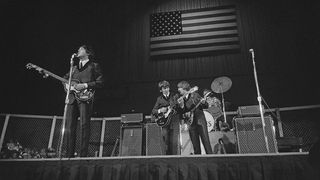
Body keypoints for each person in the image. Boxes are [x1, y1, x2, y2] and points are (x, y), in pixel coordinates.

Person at [63, 45, 104, 158]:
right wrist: (68, 86)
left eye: (80, 49)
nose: (78, 50)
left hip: (85, 98)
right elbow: (65, 79)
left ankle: (82, 155)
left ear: (88, 53)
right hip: (72, 99)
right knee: (70, 126)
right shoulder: (74, 68)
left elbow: (100, 82)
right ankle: (68, 154)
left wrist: (85, 85)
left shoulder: (93, 66)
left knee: (84, 125)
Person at [176, 81, 213, 154]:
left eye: (179, 88)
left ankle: (212, 160)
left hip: (200, 121)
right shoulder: (181, 99)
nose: (178, 90)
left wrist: (203, 102)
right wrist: (182, 106)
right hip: (191, 123)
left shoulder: (195, 95)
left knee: (206, 142)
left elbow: (206, 106)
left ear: (184, 88)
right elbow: (181, 113)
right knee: (195, 146)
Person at [151, 80, 181, 155]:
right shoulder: (159, 99)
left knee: (174, 143)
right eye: (164, 88)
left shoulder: (175, 96)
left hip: (174, 122)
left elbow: (179, 108)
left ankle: (175, 161)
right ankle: (166, 161)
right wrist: (160, 110)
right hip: (165, 124)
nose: (166, 89)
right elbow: (153, 111)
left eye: (167, 87)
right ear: (161, 90)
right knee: (165, 142)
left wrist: (180, 104)